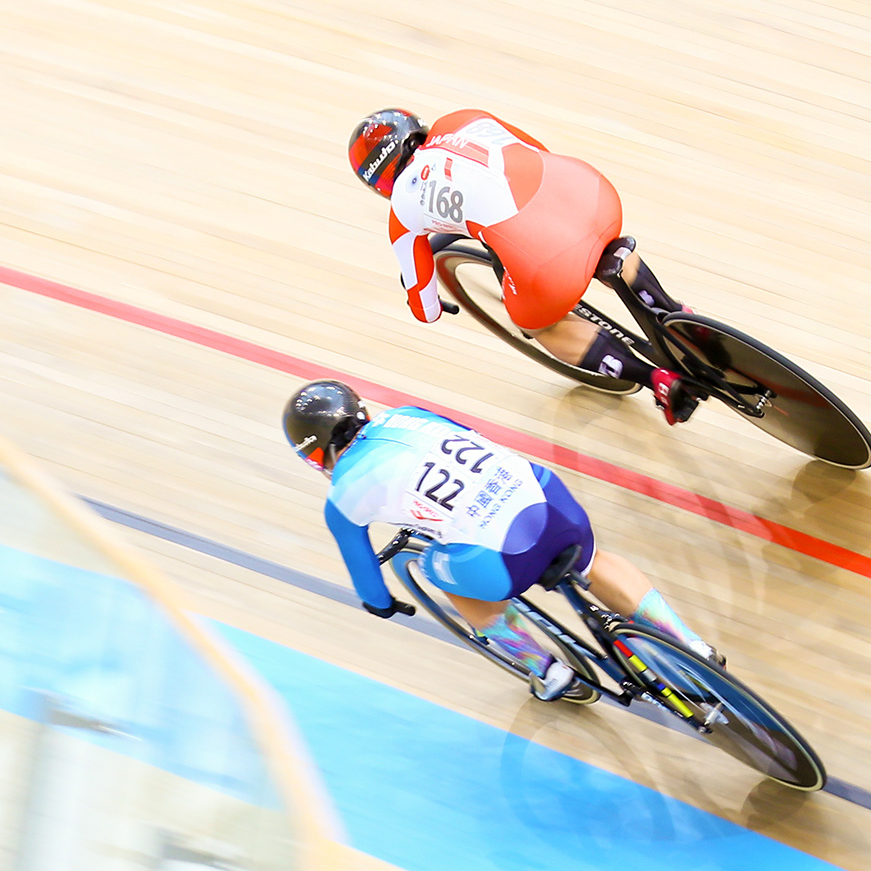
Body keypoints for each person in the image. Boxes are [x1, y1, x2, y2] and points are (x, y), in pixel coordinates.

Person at [284, 379, 720, 700]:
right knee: (593, 560)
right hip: (549, 499)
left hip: (499, 558)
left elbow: (365, 575)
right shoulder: (408, 413)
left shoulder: (342, 496)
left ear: (317, 454)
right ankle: (689, 643)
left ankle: (548, 672)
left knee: (441, 575)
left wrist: (379, 604)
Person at [347, 108, 695, 423]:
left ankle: (657, 380)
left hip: (548, 263)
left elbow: (426, 309)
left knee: (538, 324)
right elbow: (534, 147)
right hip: (590, 191)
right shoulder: (462, 118)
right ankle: (677, 315)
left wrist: (429, 302)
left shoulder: (402, 216)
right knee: (604, 242)